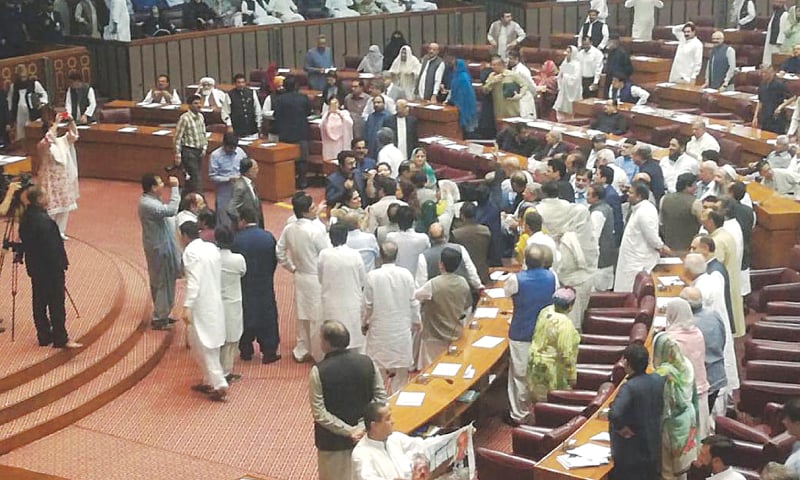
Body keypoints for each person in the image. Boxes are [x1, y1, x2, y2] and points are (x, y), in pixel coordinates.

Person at [310, 320, 386, 480]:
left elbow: (319, 412)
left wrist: (348, 430)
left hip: (332, 443)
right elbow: (380, 398)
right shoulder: (367, 362)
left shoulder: (319, 371)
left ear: (326, 343)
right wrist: (361, 426)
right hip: (366, 436)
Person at [19, 186, 81, 349]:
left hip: (35, 267)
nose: (48, 198)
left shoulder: (25, 217)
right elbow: (53, 248)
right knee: (56, 303)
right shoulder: (46, 223)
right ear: (39, 200)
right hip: (50, 270)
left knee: (39, 302)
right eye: (45, 196)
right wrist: (61, 265)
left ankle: (44, 335)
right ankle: (60, 337)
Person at [504, 245, 557, 424]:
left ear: (525, 261)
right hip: (544, 333)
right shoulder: (552, 277)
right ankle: (542, 407)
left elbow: (506, 294)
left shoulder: (516, 280)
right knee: (540, 372)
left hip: (521, 333)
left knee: (519, 375)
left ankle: (519, 415)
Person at [277, 193, 330, 362]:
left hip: (300, 275)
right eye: (313, 207)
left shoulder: (289, 228)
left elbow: (280, 252)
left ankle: (302, 349)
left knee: (302, 316)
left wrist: (291, 267)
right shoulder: (315, 231)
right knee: (316, 317)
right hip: (316, 277)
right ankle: (318, 353)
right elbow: (326, 254)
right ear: (307, 211)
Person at [179, 221, 228, 401]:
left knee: (203, 344)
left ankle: (219, 382)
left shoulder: (190, 253)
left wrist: (187, 306)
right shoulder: (211, 248)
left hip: (201, 303)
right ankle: (209, 380)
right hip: (214, 298)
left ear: (184, 236)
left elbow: (194, 281)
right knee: (204, 342)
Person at [363, 241, 419, 393]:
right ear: (397, 255)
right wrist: (417, 321)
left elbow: (368, 305)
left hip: (380, 329)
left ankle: (381, 404)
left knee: (378, 375)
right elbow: (413, 302)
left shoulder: (372, 276)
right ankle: (398, 404)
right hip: (401, 328)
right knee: (401, 376)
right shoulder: (406, 274)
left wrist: (364, 322)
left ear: (380, 257)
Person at [230, 206, 280, 365]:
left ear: (242, 220)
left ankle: (246, 350)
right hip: (264, 283)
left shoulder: (236, 240)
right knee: (267, 317)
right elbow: (274, 261)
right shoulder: (268, 237)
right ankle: (269, 351)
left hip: (244, 284)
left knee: (245, 316)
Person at [608, 343, 666, 480]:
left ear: (627, 363)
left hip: (631, 453)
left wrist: (621, 428)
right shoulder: (657, 380)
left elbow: (615, 414)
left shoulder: (629, 387)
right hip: (653, 445)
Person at [414, 246, 473, 370]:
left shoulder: (433, 284)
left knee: (431, 369)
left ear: (441, 264)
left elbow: (416, 296)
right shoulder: (463, 283)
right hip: (455, 333)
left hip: (434, 336)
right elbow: (466, 306)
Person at [652, 331, 701, 479]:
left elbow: (664, 402)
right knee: (686, 467)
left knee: (669, 470)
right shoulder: (686, 365)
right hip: (689, 417)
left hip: (671, 423)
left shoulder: (664, 373)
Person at [138, 174, 181, 331]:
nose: (163, 185)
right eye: (160, 183)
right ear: (153, 187)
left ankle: (163, 313)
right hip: (159, 247)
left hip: (160, 244)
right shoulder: (148, 204)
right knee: (162, 280)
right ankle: (159, 318)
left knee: (165, 280)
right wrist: (175, 188)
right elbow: (171, 210)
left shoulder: (150, 201)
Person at [318, 223, 367, 359]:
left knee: (332, 334)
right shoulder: (355, 255)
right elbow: (363, 279)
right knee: (354, 335)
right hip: (352, 300)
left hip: (331, 300)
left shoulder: (324, 254)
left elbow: (320, 278)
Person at [665, 298, 711, 436]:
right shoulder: (697, 333)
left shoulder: (670, 340)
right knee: (700, 435)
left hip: (681, 396)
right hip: (700, 388)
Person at [527, 288, 581, 403]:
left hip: (534, 363)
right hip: (551, 370)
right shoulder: (565, 324)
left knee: (536, 399)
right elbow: (565, 353)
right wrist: (572, 376)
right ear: (571, 305)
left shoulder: (545, 311)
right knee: (550, 401)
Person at [614, 182, 668, 292]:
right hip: (632, 257)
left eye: (631, 192)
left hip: (638, 260)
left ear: (639, 196)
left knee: (633, 289)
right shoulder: (637, 209)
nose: (628, 194)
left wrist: (661, 246)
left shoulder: (646, 211)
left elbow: (652, 237)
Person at [681, 287, 727, 413]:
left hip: (700, 381)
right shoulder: (714, 314)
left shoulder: (687, 326)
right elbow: (723, 339)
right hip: (717, 373)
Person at [37, 109, 79, 239]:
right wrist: (55, 123)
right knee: (50, 207)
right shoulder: (42, 144)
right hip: (49, 180)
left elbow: (74, 136)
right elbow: (48, 138)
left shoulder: (61, 141)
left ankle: (60, 231)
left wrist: (71, 121)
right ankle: (48, 232)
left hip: (62, 179)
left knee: (64, 207)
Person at [213, 226, 247, 381]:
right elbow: (243, 272)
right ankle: (225, 372)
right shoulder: (238, 259)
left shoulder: (212, 258)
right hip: (232, 302)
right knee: (232, 338)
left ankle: (217, 371)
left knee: (218, 337)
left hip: (215, 302)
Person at [273, 76, 312, 188]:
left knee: (287, 160)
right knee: (302, 160)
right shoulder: (303, 98)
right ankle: (302, 182)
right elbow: (308, 112)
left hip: (285, 134)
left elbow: (276, 115)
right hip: (301, 133)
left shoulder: (280, 99)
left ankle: (289, 183)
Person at [209, 132, 246, 229]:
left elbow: (246, 168)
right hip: (224, 191)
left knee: (241, 216)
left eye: (234, 148)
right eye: (230, 148)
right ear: (224, 144)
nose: (232, 150)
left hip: (239, 189)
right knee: (225, 219)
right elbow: (213, 176)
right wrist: (228, 179)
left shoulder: (240, 152)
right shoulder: (215, 155)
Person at [174, 94, 208, 195]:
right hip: (189, 151)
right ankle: (202, 204)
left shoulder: (201, 116)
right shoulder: (184, 118)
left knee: (190, 180)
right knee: (196, 177)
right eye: (195, 103)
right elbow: (177, 137)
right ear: (189, 105)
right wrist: (177, 154)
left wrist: (205, 147)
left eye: (199, 103)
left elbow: (203, 133)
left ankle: (183, 201)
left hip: (199, 151)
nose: (199, 105)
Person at [660, 173, 701, 252]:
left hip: (668, 248)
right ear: (687, 186)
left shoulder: (664, 199)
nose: (696, 187)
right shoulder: (696, 202)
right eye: (694, 185)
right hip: (688, 249)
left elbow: (661, 222)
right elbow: (702, 224)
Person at [7, 66, 48, 143]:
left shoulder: (34, 83)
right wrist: (11, 113)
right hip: (19, 113)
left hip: (32, 112)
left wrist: (41, 104)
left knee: (32, 132)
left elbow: (44, 94)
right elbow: (10, 100)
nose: (22, 76)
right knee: (21, 133)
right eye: (20, 74)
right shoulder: (14, 86)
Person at [483, 54, 528, 120]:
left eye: (494, 65)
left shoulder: (512, 75)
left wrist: (520, 94)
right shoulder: (492, 76)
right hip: (498, 110)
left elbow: (524, 85)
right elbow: (485, 90)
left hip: (512, 110)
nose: (492, 67)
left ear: (501, 65)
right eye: (492, 65)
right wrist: (492, 81)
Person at [754, 65, 790, 133]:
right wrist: (755, 117)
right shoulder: (762, 85)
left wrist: (780, 107)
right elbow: (760, 101)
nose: (763, 75)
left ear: (772, 72)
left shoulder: (779, 84)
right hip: (765, 117)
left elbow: (793, 97)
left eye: (765, 73)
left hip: (777, 118)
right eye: (762, 73)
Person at [227, 73, 261, 138]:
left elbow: (257, 109)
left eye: (243, 82)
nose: (241, 84)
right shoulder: (230, 95)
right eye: (238, 82)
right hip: (237, 128)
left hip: (251, 128)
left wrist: (259, 124)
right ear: (235, 83)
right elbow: (226, 112)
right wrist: (229, 125)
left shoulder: (251, 92)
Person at [553, 46, 582, 121]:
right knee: (559, 109)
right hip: (563, 90)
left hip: (572, 91)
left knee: (570, 112)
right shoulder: (565, 62)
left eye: (569, 52)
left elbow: (575, 78)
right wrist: (558, 77)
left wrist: (565, 77)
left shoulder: (576, 65)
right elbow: (561, 74)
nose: (566, 54)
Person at [508, 50, 539, 119]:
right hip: (518, 96)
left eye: (511, 58)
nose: (509, 60)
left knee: (526, 118)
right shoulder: (513, 69)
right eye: (509, 58)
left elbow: (531, 84)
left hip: (526, 96)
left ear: (516, 59)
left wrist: (534, 94)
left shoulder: (522, 70)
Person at [764, 0, 789, 67]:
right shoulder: (775, 13)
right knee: (767, 62)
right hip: (771, 42)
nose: (774, 3)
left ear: (782, 3)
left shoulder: (785, 14)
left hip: (778, 44)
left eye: (777, 2)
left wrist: (779, 42)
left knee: (775, 63)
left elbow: (783, 31)